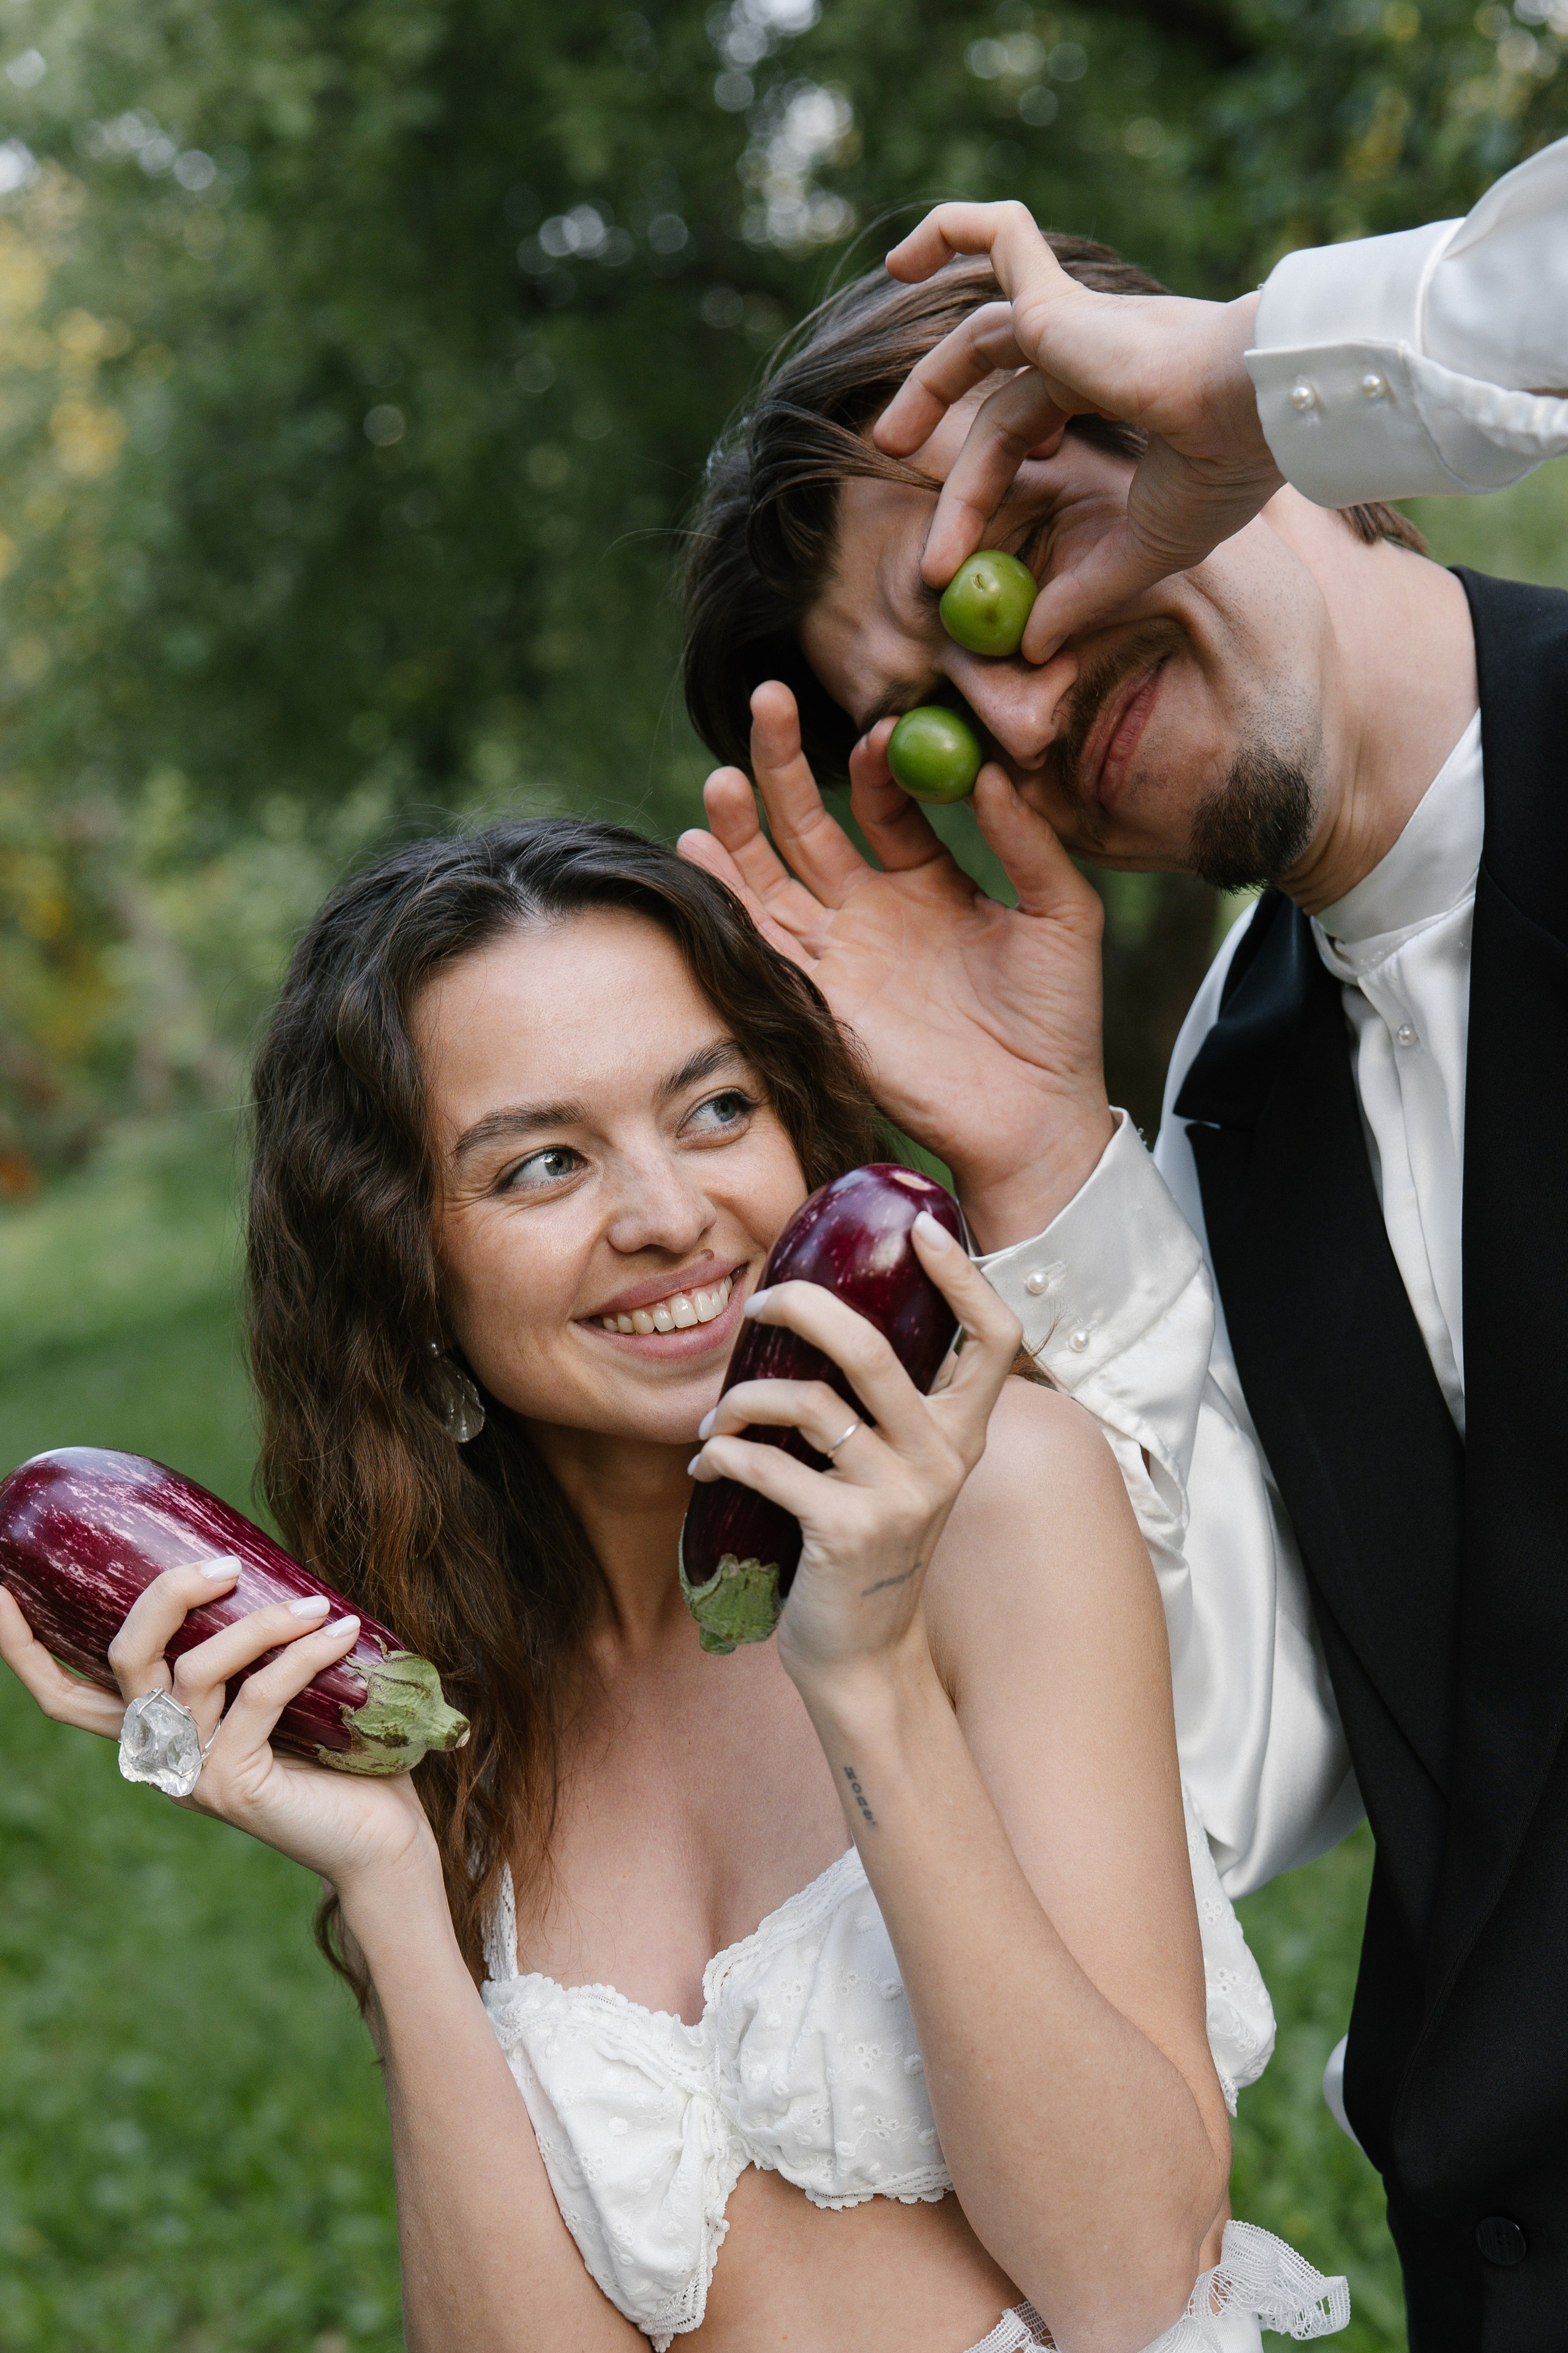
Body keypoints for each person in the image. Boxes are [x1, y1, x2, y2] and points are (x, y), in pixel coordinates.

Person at [0, 820, 1347, 2353]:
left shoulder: (1005, 1501)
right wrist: (381, 1878)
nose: (664, 1212)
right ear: (404, 1267)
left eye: (713, 1108)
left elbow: (1134, 2274)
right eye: (545, 1162)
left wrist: (866, 1674)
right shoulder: (444, 1672)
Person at [676, 141, 1568, 2353]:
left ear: (1150, 423)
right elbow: (1259, 1773)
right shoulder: (1219, 1117)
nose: (1019, 704)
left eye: (1004, 566)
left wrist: (1285, 361)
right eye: (929, 725)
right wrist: (1054, 1163)